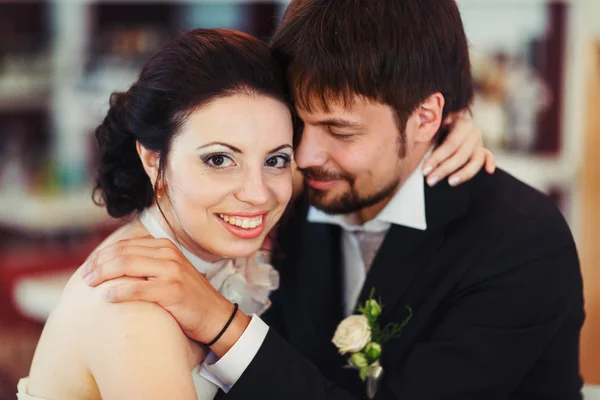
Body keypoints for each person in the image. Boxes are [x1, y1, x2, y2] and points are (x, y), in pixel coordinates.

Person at [82, 0, 584, 399]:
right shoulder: (298, 201)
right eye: (300, 122)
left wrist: (220, 322)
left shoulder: (519, 241)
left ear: (427, 118)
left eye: (339, 130)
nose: (303, 154)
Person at [20, 27, 492, 400]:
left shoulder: (208, 244)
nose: (257, 194)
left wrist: (437, 133)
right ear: (152, 160)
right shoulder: (135, 305)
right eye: (218, 160)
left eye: (276, 159)